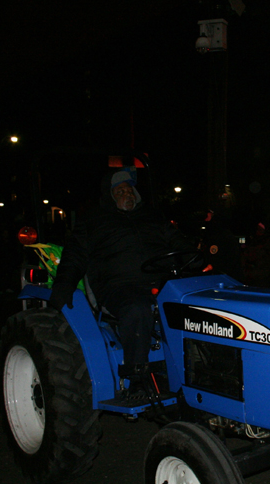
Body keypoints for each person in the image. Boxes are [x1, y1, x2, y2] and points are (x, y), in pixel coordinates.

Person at [50, 170, 196, 398]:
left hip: (161, 281)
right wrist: (63, 285)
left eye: (130, 190)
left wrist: (197, 260)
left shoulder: (152, 216)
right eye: (120, 191)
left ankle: (197, 375)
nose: (127, 194)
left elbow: (179, 243)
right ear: (110, 195)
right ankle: (136, 377)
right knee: (136, 309)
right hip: (119, 286)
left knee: (199, 305)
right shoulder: (93, 221)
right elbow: (74, 256)